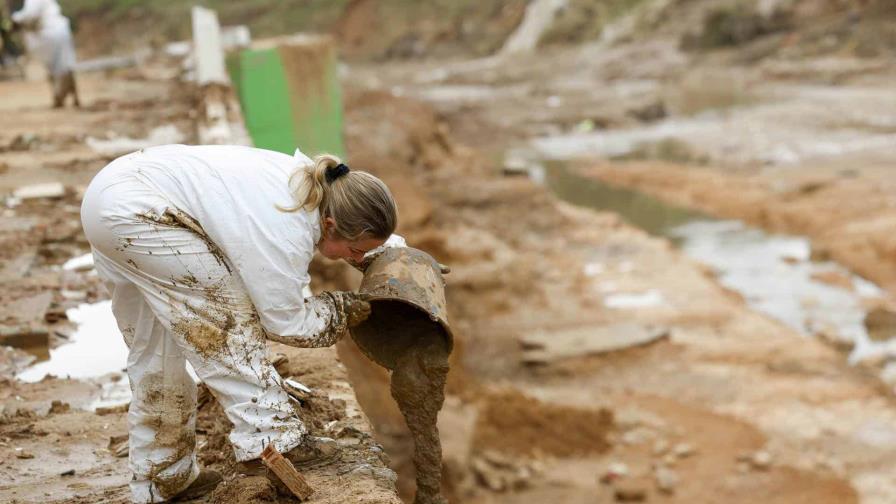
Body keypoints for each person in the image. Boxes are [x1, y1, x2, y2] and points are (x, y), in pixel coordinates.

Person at [80, 144, 404, 503]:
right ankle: (273, 437)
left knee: (155, 350)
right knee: (225, 326)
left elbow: (361, 236)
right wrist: (340, 310)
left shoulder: (317, 188)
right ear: (330, 226)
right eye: (356, 252)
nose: (355, 260)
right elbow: (286, 322)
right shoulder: (285, 228)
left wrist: (395, 256)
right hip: (141, 214)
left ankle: (163, 476)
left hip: (108, 201)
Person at [11, 0, 79, 107]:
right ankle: (71, 98)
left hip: (50, 34)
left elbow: (29, 15)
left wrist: (15, 19)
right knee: (64, 66)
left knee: (59, 68)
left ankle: (61, 97)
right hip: (59, 31)